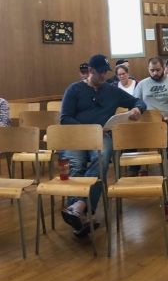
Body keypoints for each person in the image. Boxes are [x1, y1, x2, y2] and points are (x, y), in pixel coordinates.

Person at [59, 54, 147, 236]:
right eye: (100, 73)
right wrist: (89, 129)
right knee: (75, 166)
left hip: (102, 136)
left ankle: (78, 207)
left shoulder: (111, 90)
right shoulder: (74, 89)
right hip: (76, 136)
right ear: (90, 71)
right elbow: (65, 117)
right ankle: (81, 216)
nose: (103, 77)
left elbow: (138, 101)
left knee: (101, 158)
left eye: (105, 73)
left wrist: (138, 109)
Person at [133, 56, 168, 172]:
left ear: (164, 68)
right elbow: (135, 103)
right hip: (149, 122)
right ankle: (136, 167)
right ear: (148, 69)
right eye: (152, 70)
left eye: (158, 70)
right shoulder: (142, 84)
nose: (155, 73)